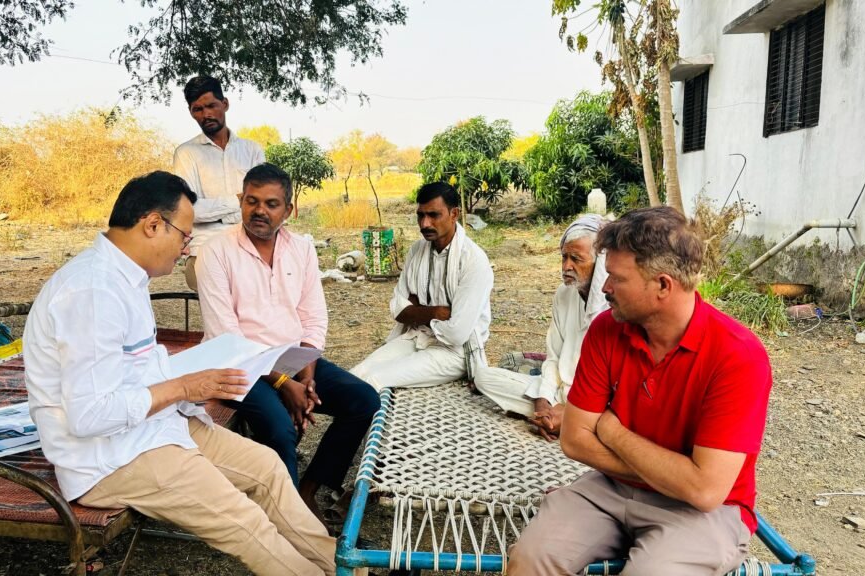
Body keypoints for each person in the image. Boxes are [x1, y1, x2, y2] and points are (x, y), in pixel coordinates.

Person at [23, 171, 337, 576]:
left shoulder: (125, 276)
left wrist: (188, 384)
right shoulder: (93, 292)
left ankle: (340, 567)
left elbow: (134, 370)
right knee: (243, 520)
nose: (186, 247)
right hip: (110, 458)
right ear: (153, 224)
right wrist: (186, 385)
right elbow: (89, 416)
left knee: (268, 468)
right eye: (185, 236)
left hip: (153, 427)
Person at [507, 207, 772, 575]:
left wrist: (611, 430)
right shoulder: (607, 329)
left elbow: (704, 490)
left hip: (705, 513)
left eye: (616, 278)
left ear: (663, 285)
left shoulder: (737, 356)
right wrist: (673, 473)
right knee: (531, 558)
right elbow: (574, 441)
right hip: (610, 489)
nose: (604, 288)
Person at [195, 163, 380, 519]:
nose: (259, 211)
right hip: (238, 367)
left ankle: (307, 491)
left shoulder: (301, 248)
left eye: (271, 204)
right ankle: (290, 520)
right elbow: (226, 338)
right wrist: (283, 384)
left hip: (293, 359)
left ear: (289, 210)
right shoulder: (216, 251)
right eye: (252, 201)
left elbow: (313, 318)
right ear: (240, 200)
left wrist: (306, 378)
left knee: (364, 401)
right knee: (280, 427)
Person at [473, 214, 609, 440]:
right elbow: (553, 357)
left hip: (592, 406)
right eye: (564, 257)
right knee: (483, 377)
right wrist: (542, 400)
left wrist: (572, 412)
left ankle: (567, 422)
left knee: (608, 423)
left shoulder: (613, 307)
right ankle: (551, 418)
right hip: (557, 394)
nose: (566, 266)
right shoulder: (564, 294)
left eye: (576, 259)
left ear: (600, 264)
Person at [350, 182, 494, 390]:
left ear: (454, 214)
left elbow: (457, 333)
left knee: (374, 380)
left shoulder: (473, 260)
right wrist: (435, 312)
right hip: (417, 336)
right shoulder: (417, 250)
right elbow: (398, 309)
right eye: (421, 215)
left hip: (454, 352)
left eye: (434, 215)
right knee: (356, 375)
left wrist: (416, 311)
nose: (425, 223)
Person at [172, 75, 265, 291]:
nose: (206, 114)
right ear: (191, 112)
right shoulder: (186, 153)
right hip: (205, 251)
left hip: (251, 246)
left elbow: (261, 205)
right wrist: (238, 201)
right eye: (198, 109)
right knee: (224, 300)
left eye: (212, 106)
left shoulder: (251, 150)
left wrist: (218, 213)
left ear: (225, 104)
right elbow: (190, 210)